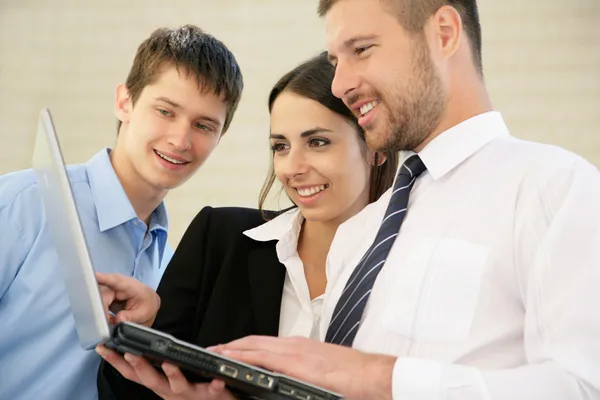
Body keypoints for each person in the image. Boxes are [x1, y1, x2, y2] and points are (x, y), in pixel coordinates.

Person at [206, 1, 600, 400]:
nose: (340, 85)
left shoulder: (557, 188)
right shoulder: (362, 230)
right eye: (335, 60)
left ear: (444, 33)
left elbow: (584, 386)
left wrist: (380, 378)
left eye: (361, 49)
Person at [95, 51, 399, 400]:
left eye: (317, 142)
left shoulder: (410, 267)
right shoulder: (221, 240)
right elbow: (122, 392)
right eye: (280, 146)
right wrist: (141, 331)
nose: (292, 167)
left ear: (376, 146)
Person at [0, 24, 243, 400]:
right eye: (165, 111)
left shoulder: (169, 269)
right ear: (124, 102)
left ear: (220, 137)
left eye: (203, 125)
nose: (180, 140)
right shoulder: (20, 204)